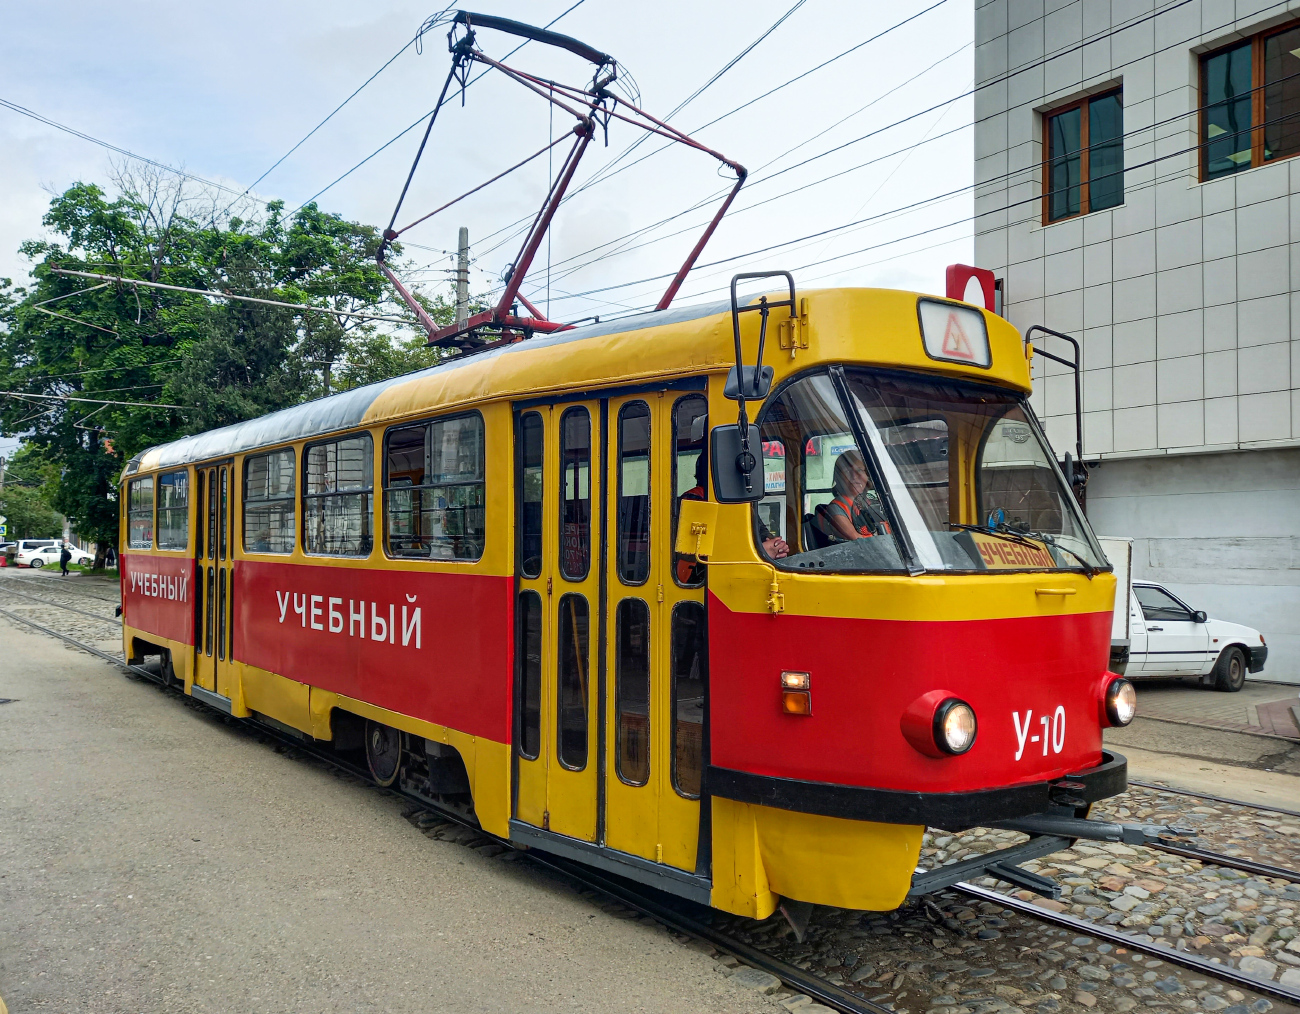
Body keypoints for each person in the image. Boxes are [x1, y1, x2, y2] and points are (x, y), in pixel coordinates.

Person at [676, 452, 787, 584]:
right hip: (698, 581)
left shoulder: (740, 502)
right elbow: (695, 553)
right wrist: (761, 551)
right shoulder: (695, 500)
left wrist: (776, 547)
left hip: (738, 574)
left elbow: (761, 532)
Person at [814, 449, 891, 544]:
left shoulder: (874, 503)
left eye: (859, 470)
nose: (854, 476)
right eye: (847, 471)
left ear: (867, 476)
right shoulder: (836, 508)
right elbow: (857, 540)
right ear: (839, 478)